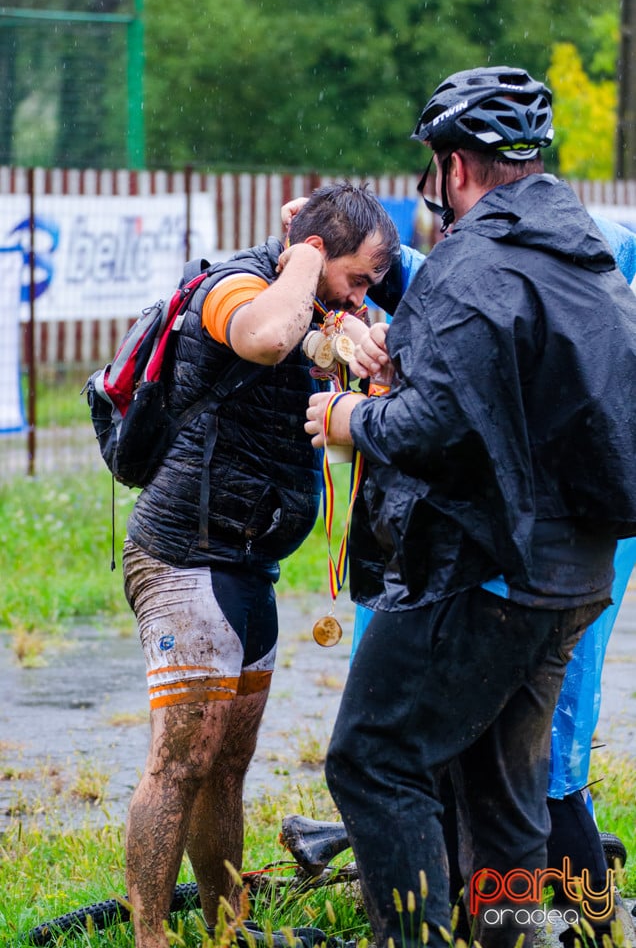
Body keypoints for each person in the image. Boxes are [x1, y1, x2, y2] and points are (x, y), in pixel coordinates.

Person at [304, 67, 636, 948]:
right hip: (573, 580)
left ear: (455, 167)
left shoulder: (475, 259)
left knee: (374, 762)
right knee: (504, 796)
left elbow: (433, 423)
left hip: (484, 573)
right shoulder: (586, 259)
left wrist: (348, 411)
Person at [121, 181, 400, 948]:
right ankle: (148, 936)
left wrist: (352, 331)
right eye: (359, 276)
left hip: (249, 565)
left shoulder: (312, 305)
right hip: (183, 553)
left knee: (228, 764)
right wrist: (307, 262)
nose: (363, 293)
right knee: (182, 761)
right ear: (316, 253)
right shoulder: (237, 287)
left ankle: (227, 926)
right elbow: (266, 339)